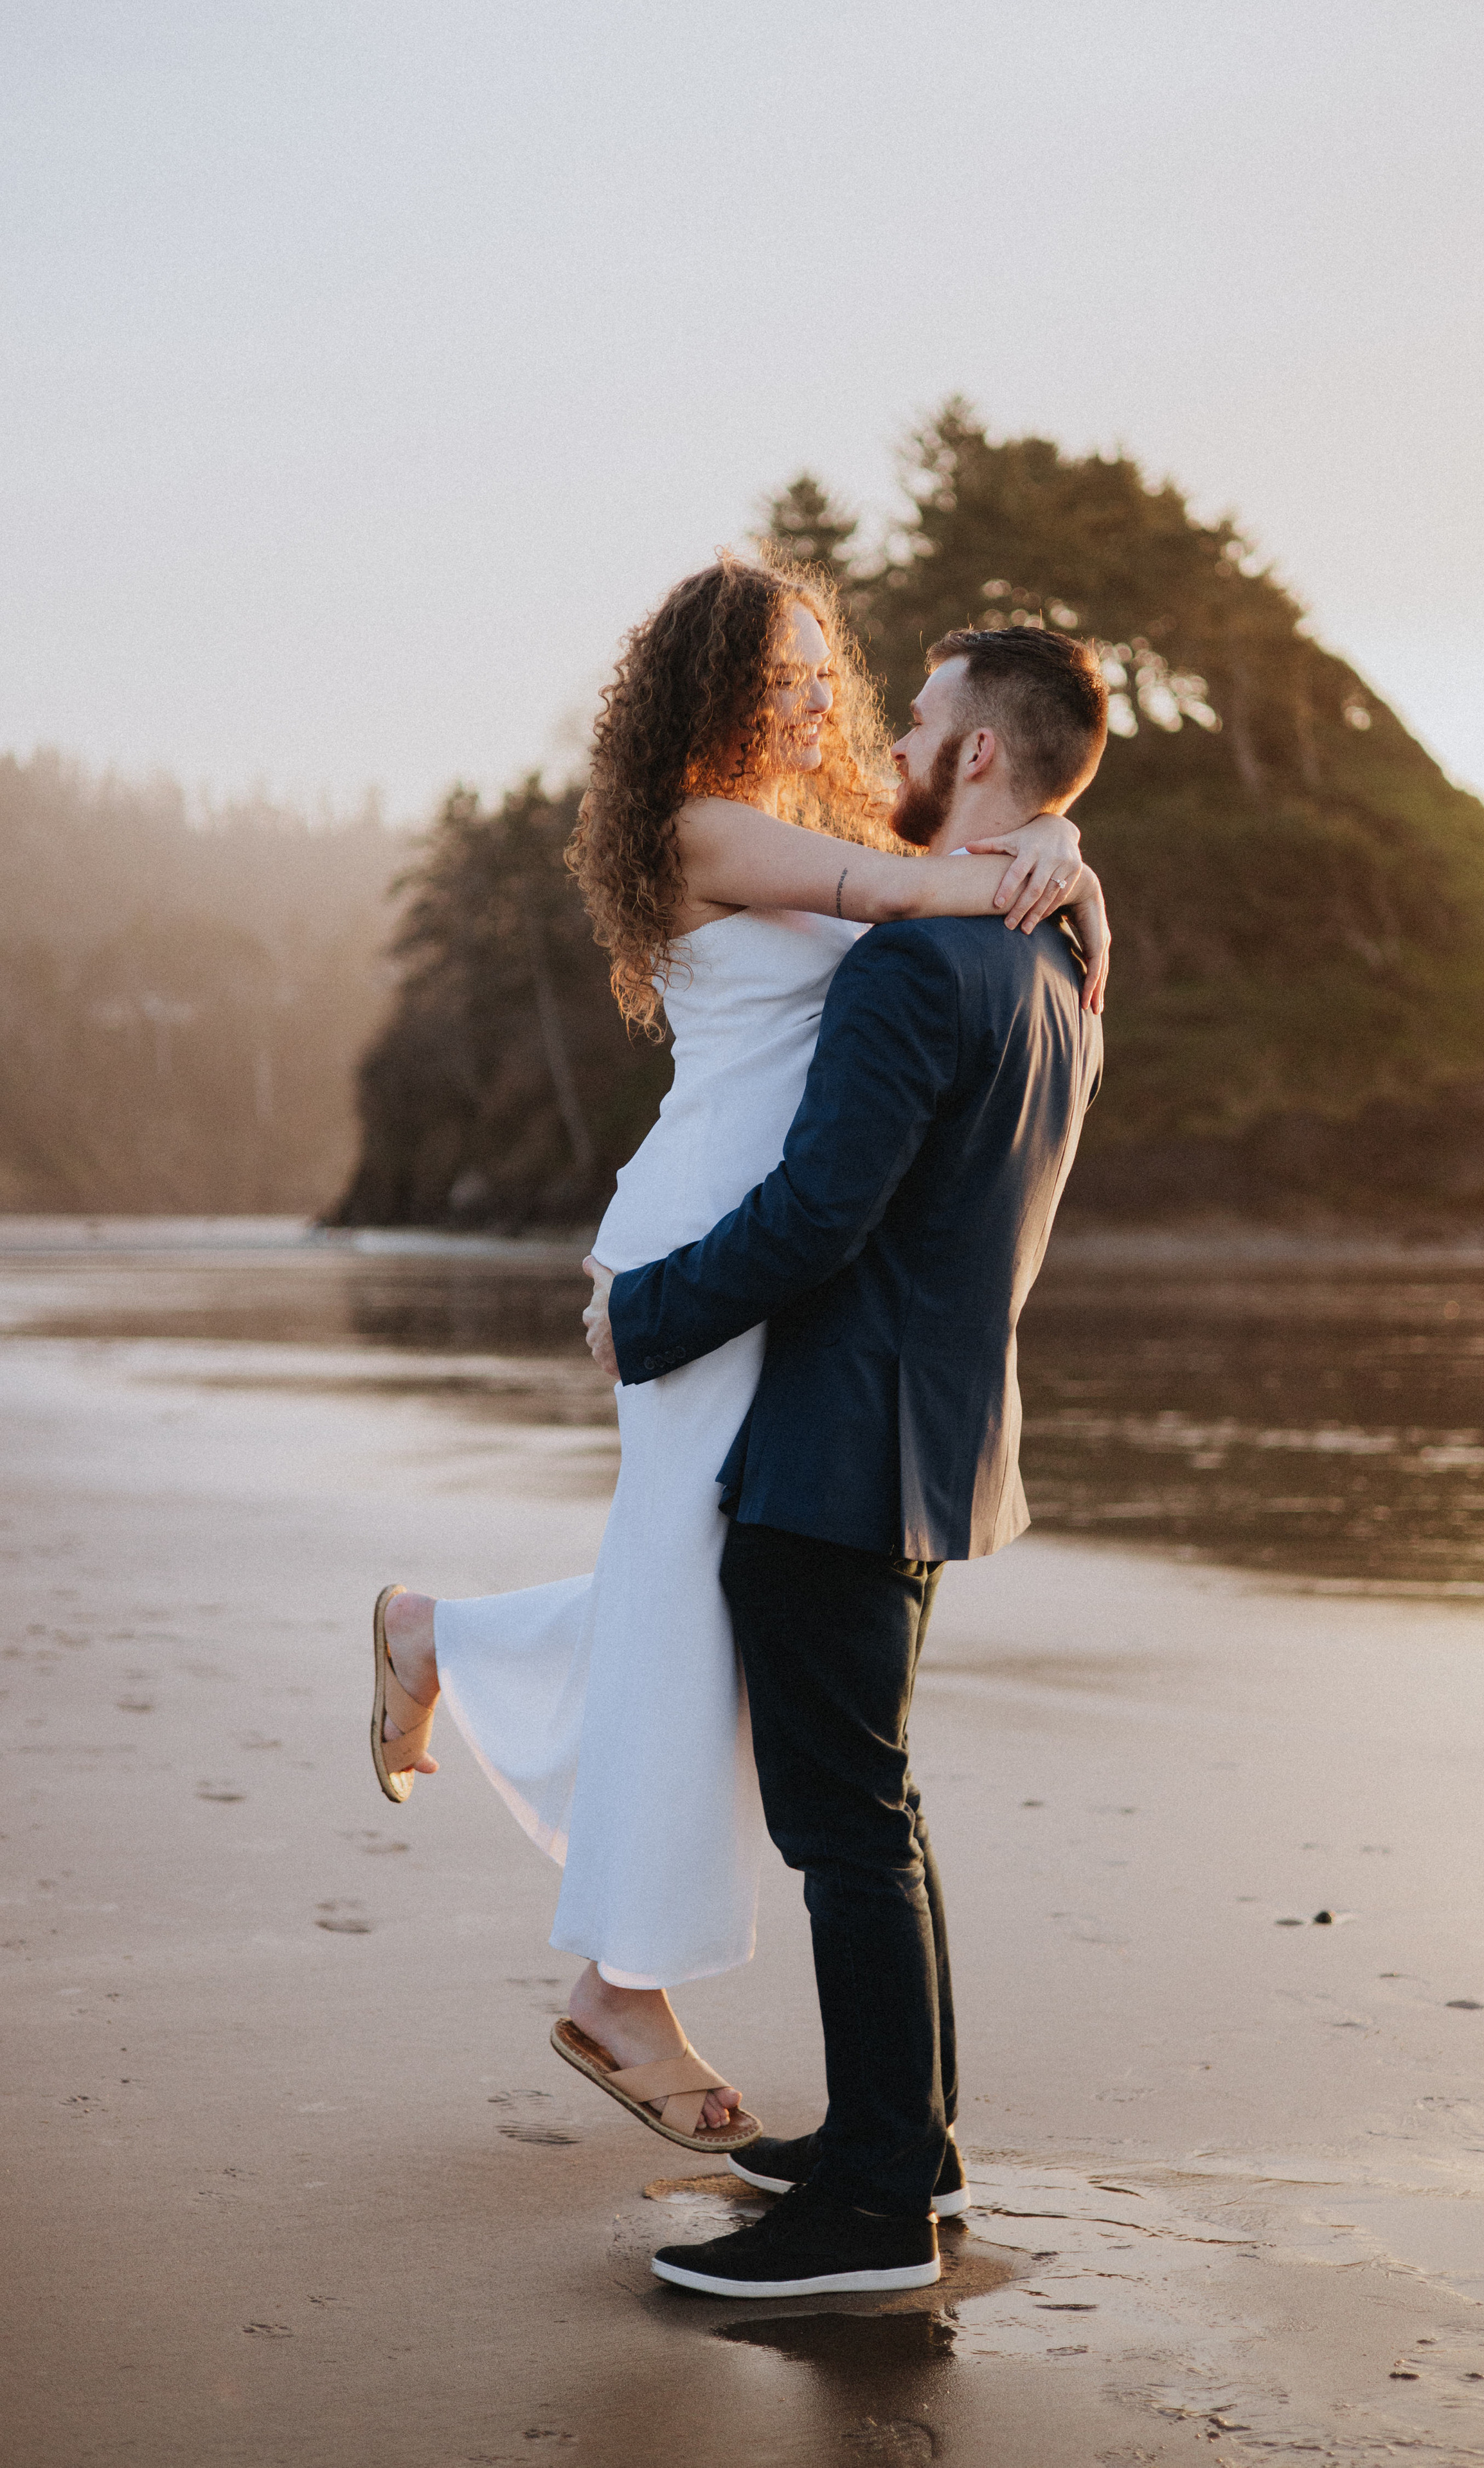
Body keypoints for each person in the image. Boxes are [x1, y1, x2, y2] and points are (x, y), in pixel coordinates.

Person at [369, 555, 1107, 2154]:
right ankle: (612, 1990)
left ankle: (444, 1647)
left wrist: (1050, 840)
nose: (806, 696)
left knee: (697, 1592)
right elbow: (917, 895)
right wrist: (1052, 861)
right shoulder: (698, 827)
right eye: (770, 674)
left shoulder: (822, 818)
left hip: (776, 1249)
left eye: (812, 670)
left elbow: (941, 864)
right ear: (699, 691)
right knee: (692, 1595)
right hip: (707, 1243)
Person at [582, 620, 1109, 2296]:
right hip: (942, 1433)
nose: (881, 734)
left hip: (833, 1438)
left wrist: (642, 1316)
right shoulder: (1053, 972)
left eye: (921, 721)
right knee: (867, 1808)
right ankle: (905, 2139)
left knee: (851, 1832)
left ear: (970, 757)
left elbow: (820, 1214)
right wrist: (1066, 861)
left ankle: (881, 2200)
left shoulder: (907, 961)